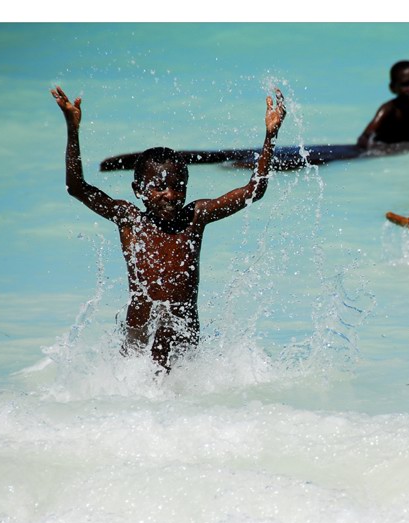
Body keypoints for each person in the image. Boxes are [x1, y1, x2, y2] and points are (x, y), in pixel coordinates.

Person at [51, 85, 287, 371]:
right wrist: (72, 129)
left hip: (183, 345)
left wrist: (270, 136)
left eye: (178, 187)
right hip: (138, 345)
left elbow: (254, 191)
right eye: (160, 187)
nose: (172, 195)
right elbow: (76, 187)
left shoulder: (196, 216)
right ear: (138, 189)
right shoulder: (129, 219)